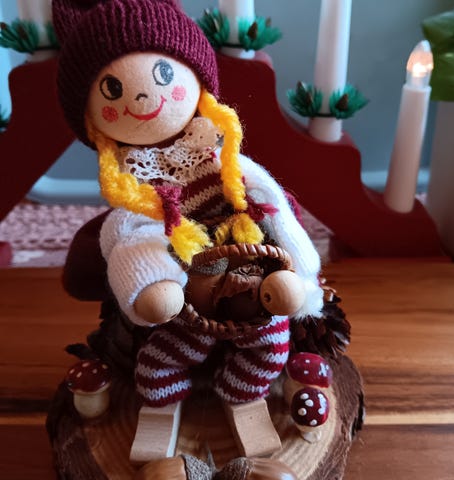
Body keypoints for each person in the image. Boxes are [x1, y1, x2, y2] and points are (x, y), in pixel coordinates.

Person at [52, 0, 323, 465]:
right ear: (92, 119)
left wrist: (300, 270)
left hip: (252, 288)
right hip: (187, 302)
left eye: (164, 75)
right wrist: (152, 285)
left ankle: (243, 396)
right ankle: (161, 405)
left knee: (270, 342)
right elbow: (131, 237)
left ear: (199, 82)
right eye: (113, 89)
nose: (143, 97)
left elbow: (272, 206)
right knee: (162, 356)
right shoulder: (136, 189)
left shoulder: (226, 163)